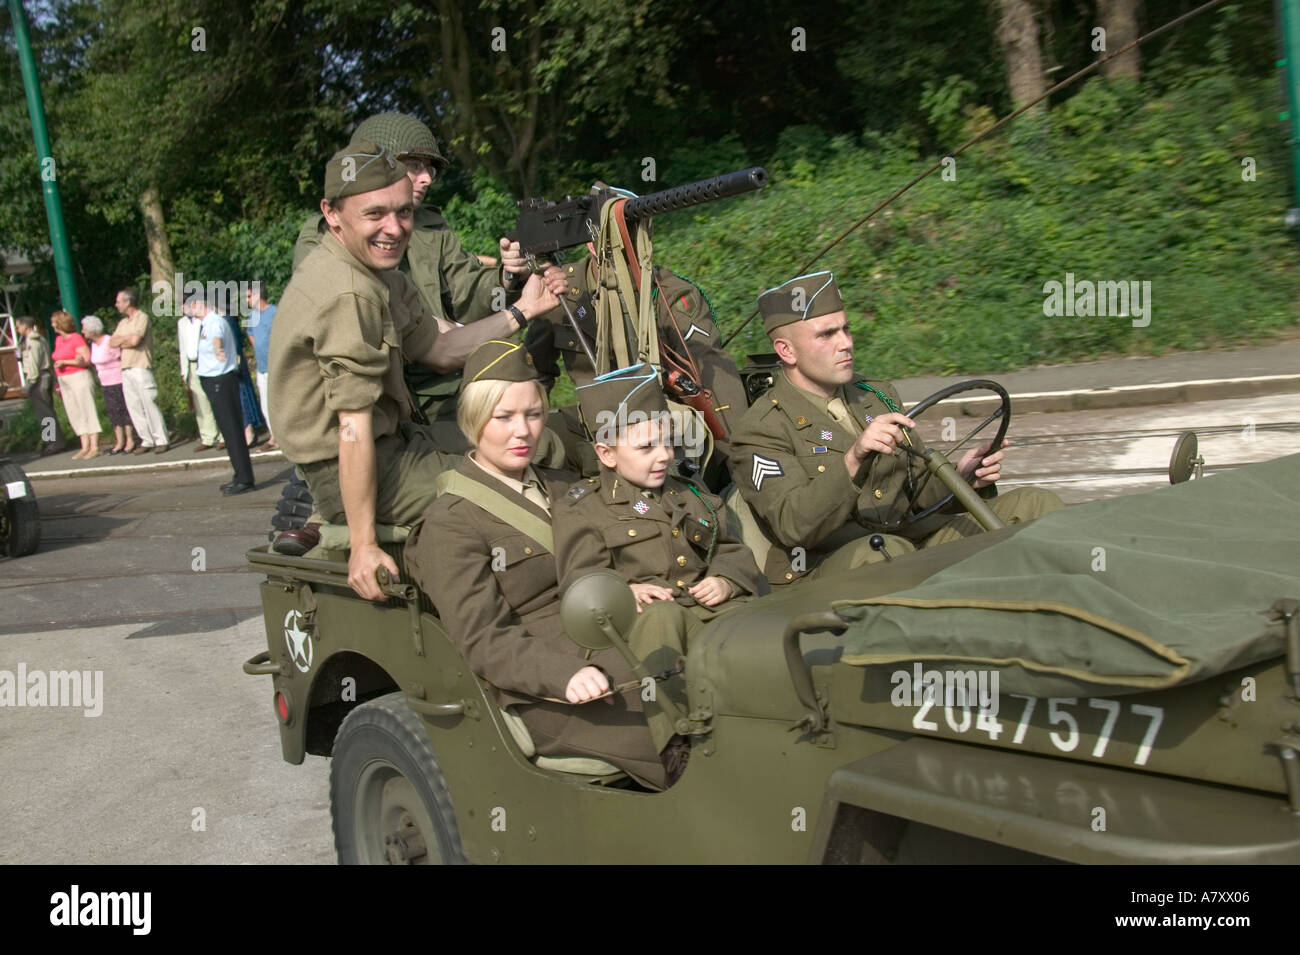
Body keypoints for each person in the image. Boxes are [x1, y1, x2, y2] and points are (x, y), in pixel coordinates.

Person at [269, 138, 566, 600]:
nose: (394, 228)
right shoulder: (348, 293)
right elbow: (353, 429)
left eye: (403, 212)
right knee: (512, 489)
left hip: (398, 442)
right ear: (332, 214)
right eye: (375, 214)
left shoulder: (377, 273)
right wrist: (363, 546)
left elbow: (441, 349)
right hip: (357, 466)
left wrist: (523, 310)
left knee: (546, 441)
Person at [404, 340, 680, 790]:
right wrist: (562, 675)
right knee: (677, 733)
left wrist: (624, 586)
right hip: (544, 687)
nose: (523, 432)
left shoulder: (563, 485)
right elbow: (483, 639)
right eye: (504, 417)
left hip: (614, 636)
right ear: (473, 420)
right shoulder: (450, 523)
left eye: (534, 415)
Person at [728, 271, 1064, 587]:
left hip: (909, 539)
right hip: (826, 567)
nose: (845, 343)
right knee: (887, 554)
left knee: (1035, 505)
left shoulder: (875, 395)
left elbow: (913, 489)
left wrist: (961, 478)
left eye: (846, 329)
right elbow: (794, 526)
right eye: (827, 334)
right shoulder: (761, 429)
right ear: (787, 351)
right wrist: (853, 459)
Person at [292, 112, 529, 426]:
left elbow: (468, 297)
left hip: (449, 389)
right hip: (376, 404)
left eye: (429, 167)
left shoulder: (431, 228)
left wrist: (508, 275)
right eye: (414, 165)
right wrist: (438, 329)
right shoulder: (326, 235)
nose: (427, 178)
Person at [555, 363, 764, 625]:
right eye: (646, 447)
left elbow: (726, 547)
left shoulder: (689, 493)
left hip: (713, 613)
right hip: (651, 627)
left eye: (668, 442)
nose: (664, 455)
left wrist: (726, 581)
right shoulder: (583, 510)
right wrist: (625, 593)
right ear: (606, 454)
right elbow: (580, 581)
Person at [532, 225, 749, 474]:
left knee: (676, 440)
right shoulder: (562, 292)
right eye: (621, 242)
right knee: (535, 444)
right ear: (592, 245)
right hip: (594, 425)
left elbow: (713, 372)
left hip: (658, 422)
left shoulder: (668, 294)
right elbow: (534, 375)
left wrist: (737, 458)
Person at [189, 294, 255, 494]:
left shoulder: (214, 322)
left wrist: (218, 349)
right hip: (215, 381)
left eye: (192, 305)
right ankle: (239, 475)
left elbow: (217, 339)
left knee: (232, 431)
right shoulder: (208, 322)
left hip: (220, 381)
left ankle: (244, 479)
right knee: (228, 430)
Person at [109, 289, 169, 454]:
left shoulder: (142, 317)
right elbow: (112, 342)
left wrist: (124, 340)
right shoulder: (123, 323)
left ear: (128, 302)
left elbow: (135, 341)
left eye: (118, 301)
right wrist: (125, 340)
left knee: (150, 403)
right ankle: (147, 440)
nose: (116, 305)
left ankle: (161, 439)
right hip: (126, 368)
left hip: (141, 366)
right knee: (134, 407)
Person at [49, 310, 101, 459]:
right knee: (74, 411)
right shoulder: (59, 340)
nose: (52, 325)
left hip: (79, 376)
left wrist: (65, 362)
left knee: (87, 409)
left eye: (54, 322)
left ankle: (94, 446)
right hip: (64, 379)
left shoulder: (76, 338)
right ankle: (84, 445)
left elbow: (86, 359)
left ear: (60, 323)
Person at [82, 316, 136, 454]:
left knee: (123, 410)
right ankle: (119, 441)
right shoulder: (93, 344)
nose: (83, 331)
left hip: (118, 380)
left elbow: (120, 357)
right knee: (113, 412)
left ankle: (130, 440)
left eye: (84, 328)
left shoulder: (108, 340)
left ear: (92, 329)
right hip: (105, 382)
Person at [15, 315, 67, 456]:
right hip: (44, 377)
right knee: (46, 412)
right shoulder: (40, 338)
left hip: (38, 380)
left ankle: (53, 443)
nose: (17, 329)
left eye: (18, 326)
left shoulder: (33, 342)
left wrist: (27, 386)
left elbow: (33, 366)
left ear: (25, 326)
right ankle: (53, 441)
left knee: (44, 413)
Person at [177, 297, 221, 451]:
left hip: (206, 361)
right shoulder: (181, 323)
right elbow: (183, 348)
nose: (183, 308)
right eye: (181, 305)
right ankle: (208, 437)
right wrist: (184, 371)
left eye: (186, 304)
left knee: (213, 399)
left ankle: (223, 435)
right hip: (192, 364)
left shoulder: (203, 320)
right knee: (200, 403)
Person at [221, 309, 265, 447]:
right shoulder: (224, 320)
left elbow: (234, 345)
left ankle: (249, 432)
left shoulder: (228, 320)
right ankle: (246, 431)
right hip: (230, 364)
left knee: (242, 397)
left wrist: (236, 364)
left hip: (235, 364)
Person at [245, 281, 277, 450]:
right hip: (262, 368)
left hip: (276, 367)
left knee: (278, 403)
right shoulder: (252, 316)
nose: (247, 300)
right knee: (265, 405)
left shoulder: (274, 312)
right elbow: (250, 333)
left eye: (249, 296)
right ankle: (274, 437)